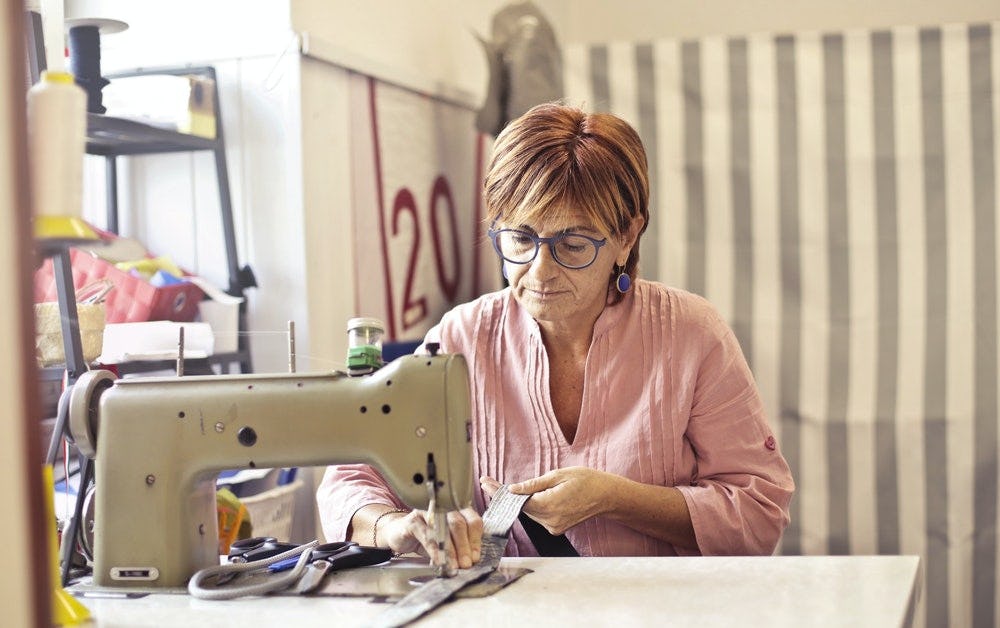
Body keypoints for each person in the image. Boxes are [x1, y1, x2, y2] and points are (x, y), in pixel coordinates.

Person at [317, 103, 794, 569]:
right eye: (521, 240)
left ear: (627, 236)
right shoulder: (461, 337)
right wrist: (394, 527)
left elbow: (759, 512)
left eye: (572, 244)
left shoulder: (690, 334)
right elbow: (350, 477)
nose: (540, 271)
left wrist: (617, 499)